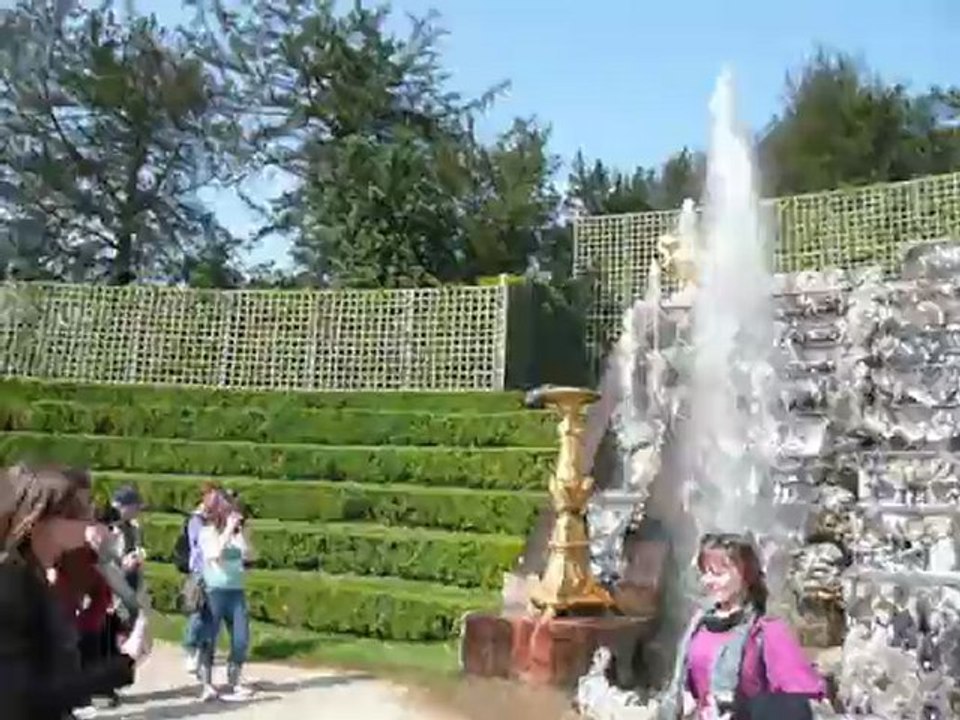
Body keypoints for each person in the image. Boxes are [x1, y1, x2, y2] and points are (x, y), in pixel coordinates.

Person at [0, 463, 149, 720]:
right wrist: (123, 664)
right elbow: (20, 699)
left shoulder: (34, 578)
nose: (90, 521)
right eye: (78, 512)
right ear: (39, 520)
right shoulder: (11, 587)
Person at [658, 532, 825, 720]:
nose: (708, 581)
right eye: (705, 572)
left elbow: (799, 700)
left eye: (718, 574)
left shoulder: (767, 629)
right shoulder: (699, 625)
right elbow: (683, 690)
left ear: (746, 574)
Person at [197, 495, 253, 702]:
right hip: (215, 591)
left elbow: (249, 556)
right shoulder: (207, 533)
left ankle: (235, 678)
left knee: (241, 638)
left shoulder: (238, 535)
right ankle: (206, 684)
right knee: (209, 638)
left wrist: (243, 536)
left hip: (236, 590)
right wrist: (228, 531)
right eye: (230, 512)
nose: (234, 517)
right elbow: (214, 554)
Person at [182, 482, 225, 673]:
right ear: (205, 497)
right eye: (213, 498)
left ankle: (206, 652)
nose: (216, 503)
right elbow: (202, 543)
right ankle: (191, 647)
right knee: (198, 613)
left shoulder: (218, 518)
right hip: (200, 572)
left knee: (214, 616)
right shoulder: (196, 520)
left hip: (216, 572)